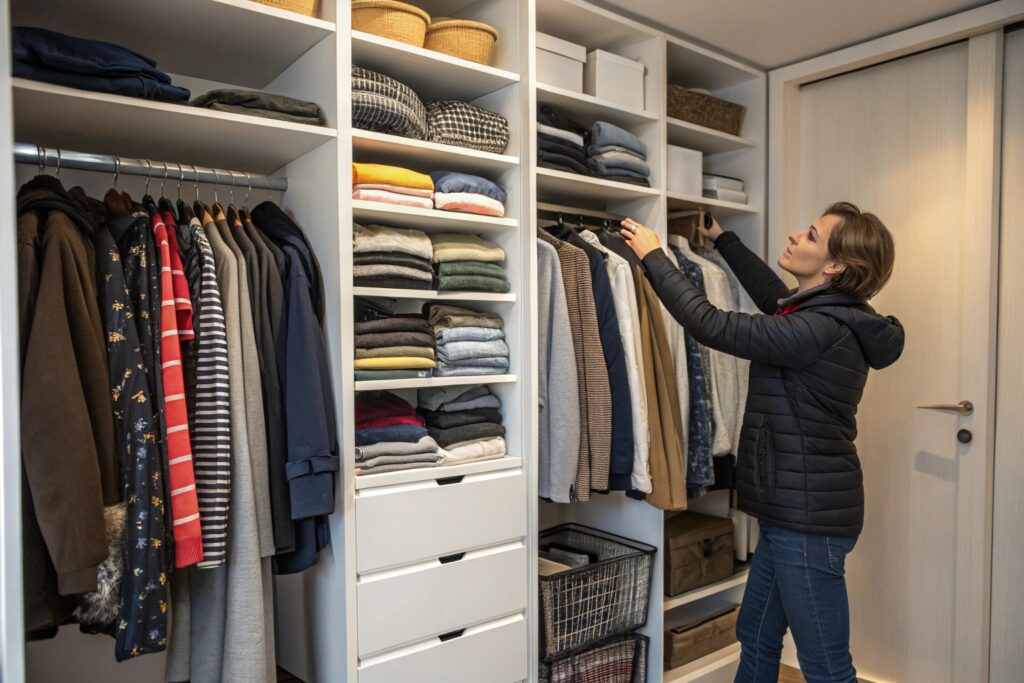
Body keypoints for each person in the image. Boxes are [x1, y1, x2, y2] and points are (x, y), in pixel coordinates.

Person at [620, 203, 905, 683]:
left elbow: (710, 323)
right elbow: (772, 294)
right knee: (756, 634)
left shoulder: (817, 329)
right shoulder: (826, 313)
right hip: (790, 513)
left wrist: (655, 257)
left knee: (826, 667)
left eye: (811, 235)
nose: (796, 235)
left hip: (808, 522)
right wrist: (724, 239)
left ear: (834, 266)